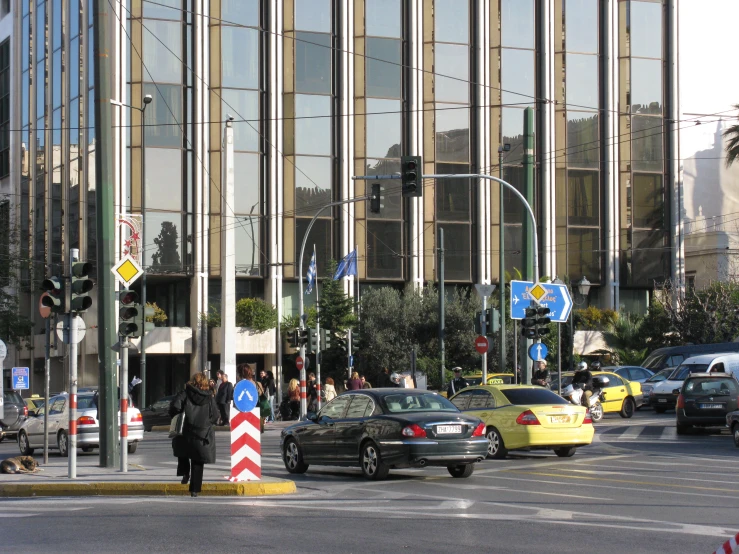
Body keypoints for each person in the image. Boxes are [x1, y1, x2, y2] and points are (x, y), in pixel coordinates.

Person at [169, 372, 219, 498]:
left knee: (183, 452)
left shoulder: (185, 393)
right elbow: (216, 415)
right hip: (202, 433)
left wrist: (179, 415)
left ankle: (185, 473)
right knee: (198, 461)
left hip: (186, 430)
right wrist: (207, 423)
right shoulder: (209, 397)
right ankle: (194, 490)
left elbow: (175, 407)